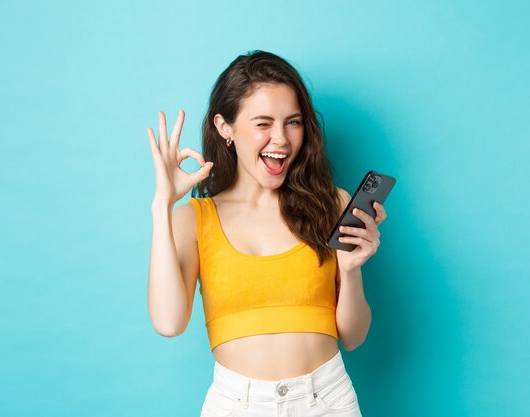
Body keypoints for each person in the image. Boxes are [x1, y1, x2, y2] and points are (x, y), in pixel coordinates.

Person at [146, 50, 386, 417]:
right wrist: (161, 206)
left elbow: (353, 336)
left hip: (328, 400)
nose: (282, 139)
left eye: (293, 122)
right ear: (225, 127)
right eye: (263, 123)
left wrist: (350, 270)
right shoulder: (193, 219)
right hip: (236, 404)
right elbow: (168, 323)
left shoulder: (331, 204)